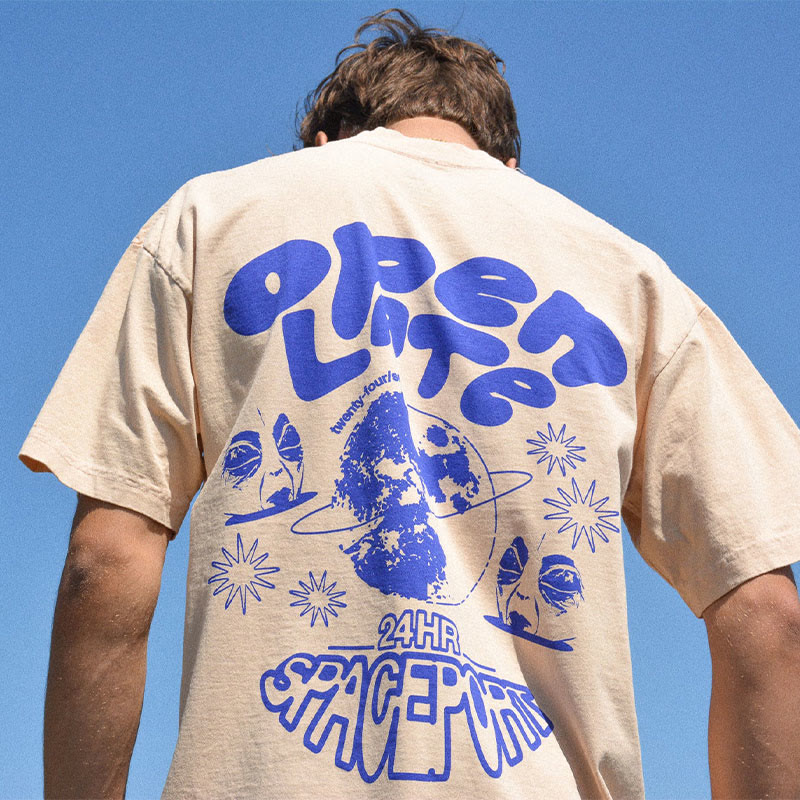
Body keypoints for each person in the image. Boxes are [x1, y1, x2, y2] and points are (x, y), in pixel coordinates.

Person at [20, 8, 800, 799]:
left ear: (323, 142)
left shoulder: (208, 222)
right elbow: (767, 615)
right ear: (507, 163)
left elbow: (103, 562)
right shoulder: (633, 283)